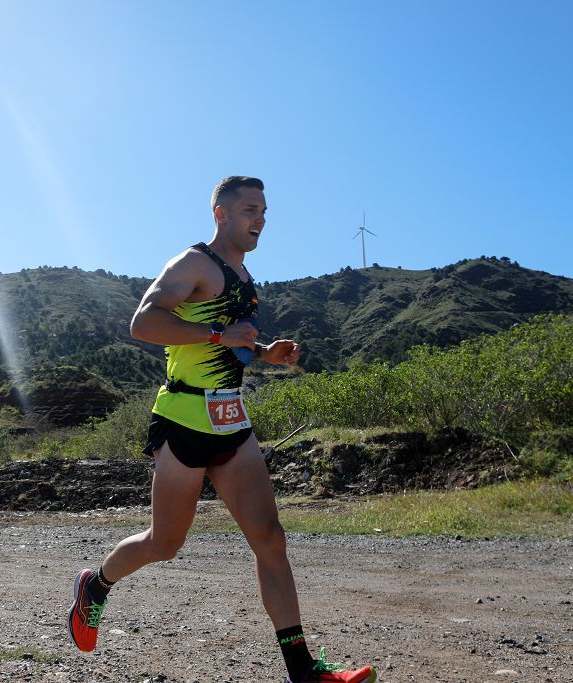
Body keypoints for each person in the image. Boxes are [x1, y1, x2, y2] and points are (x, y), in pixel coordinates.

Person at [67, 176, 376, 683]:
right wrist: (219, 333)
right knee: (164, 544)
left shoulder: (244, 277)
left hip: (232, 420)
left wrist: (263, 354)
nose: (261, 220)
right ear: (221, 214)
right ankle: (95, 586)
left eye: (265, 211)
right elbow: (143, 324)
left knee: (270, 539)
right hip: (185, 420)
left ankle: (304, 671)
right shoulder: (193, 264)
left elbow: (224, 345)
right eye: (251, 209)